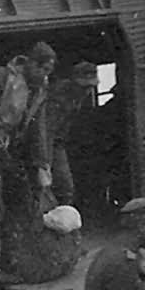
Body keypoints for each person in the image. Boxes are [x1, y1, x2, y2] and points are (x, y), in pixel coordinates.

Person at [0, 41, 57, 274]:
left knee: (21, 202)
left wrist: (42, 164)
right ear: (31, 63)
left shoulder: (40, 88)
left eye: (48, 72)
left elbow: (37, 128)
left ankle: (11, 260)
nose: (44, 75)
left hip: (12, 152)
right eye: (42, 69)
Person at [45, 60, 99, 206]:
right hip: (47, 144)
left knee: (64, 187)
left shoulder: (78, 96)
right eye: (84, 86)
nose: (87, 91)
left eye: (91, 87)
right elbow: (46, 131)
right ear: (74, 82)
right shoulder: (58, 97)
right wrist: (45, 163)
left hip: (58, 142)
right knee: (58, 186)